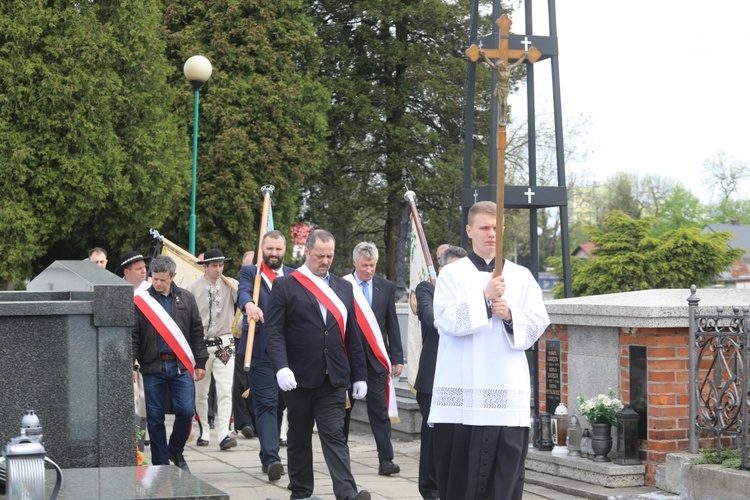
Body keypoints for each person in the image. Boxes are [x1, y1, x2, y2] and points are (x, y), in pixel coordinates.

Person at [429, 201, 550, 500]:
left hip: (506, 392)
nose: (491, 234)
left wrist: (510, 315)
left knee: (504, 482)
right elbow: (444, 321)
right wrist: (483, 299)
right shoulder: (452, 276)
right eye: (484, 228)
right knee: (460, 482)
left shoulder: (521, 276)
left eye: (496, 228)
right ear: (470, 231)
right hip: (462, 396)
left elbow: (538, 323)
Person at [265, 229, 371, 500]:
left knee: (334, 435)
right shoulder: (286, 285)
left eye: (330, 256)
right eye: (320, 256)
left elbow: (352, 334)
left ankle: (347, 494)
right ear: (307, 252)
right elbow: (274, 331)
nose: (325, 261)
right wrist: (280, 367)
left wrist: (359, 374)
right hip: (297, 377)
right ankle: (301, 492)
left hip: (333, 377)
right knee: (298, 437)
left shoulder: (343, 288)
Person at [132, 255, 208, 473]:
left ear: (173, 276)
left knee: (185, 411)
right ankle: (161, 463)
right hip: (152, 366)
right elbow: (134, 334)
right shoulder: (142, 301)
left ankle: (175, 449)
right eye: (154, 278)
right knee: (155, 418)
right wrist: (131, 364)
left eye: (163, 280)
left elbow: (196, 332)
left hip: (180, 365)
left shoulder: (186, 298)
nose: (157, 283)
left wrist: (200, 361)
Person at [237, 230, 295, 481]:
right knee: (266, 403)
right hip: (259, 349)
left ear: (285, 250)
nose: (274, 254)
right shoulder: (252, 272)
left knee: (282, 404)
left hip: (289, 352)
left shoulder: (294, 275)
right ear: (262, 248)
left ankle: (266, 453)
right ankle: (272, 459)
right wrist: (249, 305)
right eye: (269, 249)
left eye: (278, 249)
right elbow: (243, 292)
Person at [342, 242, 403, 476]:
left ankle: (386, 460)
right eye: (365, 265)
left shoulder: (385, 287)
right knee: (344, 412)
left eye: (373, 266)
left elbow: (392, 323)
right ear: (355, 262)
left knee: (380, 412)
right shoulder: (342, 285)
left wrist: (396, 356)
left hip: (376, 360)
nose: (369, 270)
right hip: (349, 361)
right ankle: (341, 457)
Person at [413, 244, 462, 500]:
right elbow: (430, 316)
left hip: (459, 378)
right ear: (440, 269)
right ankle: (430, 489)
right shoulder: (427, 289)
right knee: (433, 439)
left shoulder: (468, 294)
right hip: (433, 380)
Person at [185, 249, 238, 452]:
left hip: (224, 344)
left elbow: (246, 295)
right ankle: (204, 430)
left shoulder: (231, 285)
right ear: (205, 266)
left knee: (225, 389)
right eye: (214, 265)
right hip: (201, 346)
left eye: (221, 265)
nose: (218, 269)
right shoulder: (193, 288)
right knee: (201, 392)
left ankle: (224, 433)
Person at [116, 251, 151, 444]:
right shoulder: (117, 290)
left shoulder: (150, 290)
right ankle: (132, 437)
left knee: (147, 397)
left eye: (144, 268)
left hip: (147, 351)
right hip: (125, 350)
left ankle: (143, 434)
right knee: (132, 397)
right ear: (127, 272)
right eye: (138, 269)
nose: (143, 272)